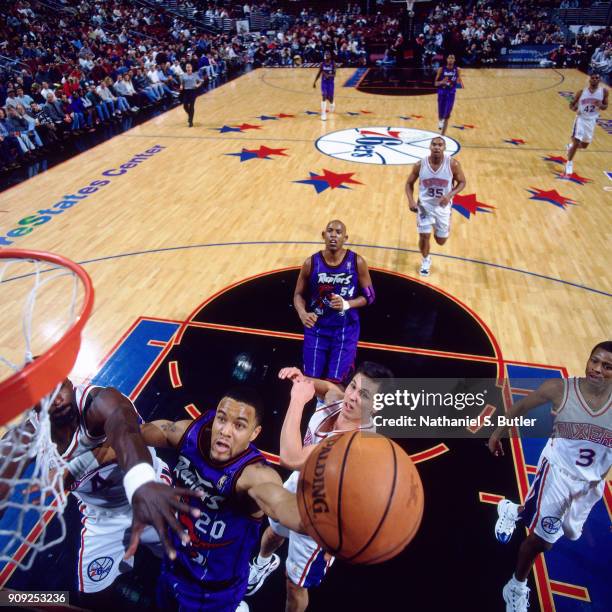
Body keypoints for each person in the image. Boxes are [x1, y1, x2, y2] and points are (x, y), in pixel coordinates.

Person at [130, 387, 304, 611]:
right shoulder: (186, 434)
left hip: (214, 591)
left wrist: (315, 521)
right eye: (221, 419)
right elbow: (133, 433)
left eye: (239, 425)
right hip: (173, 566)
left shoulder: (254, 474)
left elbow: (282, 504)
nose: (225, 431)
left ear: (254, 433)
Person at [34, 379, 202, 599]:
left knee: (186, 557)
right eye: (45, 395)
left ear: (69, 381)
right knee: (91, 594)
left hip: (148, 492)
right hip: (102, 516)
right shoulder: (29, 436)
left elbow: (126, 434)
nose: (56, 399)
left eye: (59, 387)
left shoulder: (100, 401)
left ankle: (220, 600)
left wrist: (141, 482)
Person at [247, 362, 394, 611]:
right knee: (273, 532)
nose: (352, 397)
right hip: (301, 483)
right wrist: (305, 380)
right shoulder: (340, 399)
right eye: (353, 386)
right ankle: (263, 562)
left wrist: (297, 398)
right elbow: (327, 388)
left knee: (295, 585)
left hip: (321, 515)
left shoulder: (352, 445)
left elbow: (290, 458)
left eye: (364, 395)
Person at [488, 341, 612, 612]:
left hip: (590, 485)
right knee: (543, 542)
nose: (597, 369)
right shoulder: (562, 389)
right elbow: (521, 407)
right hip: (556, 472)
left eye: (607, 366)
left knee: (571, 533)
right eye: (594, 361)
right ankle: (516, 585)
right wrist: (498, 433)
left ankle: (513, 511)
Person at [294, 219, 375, 383]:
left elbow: (370, 297)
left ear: (345, 238)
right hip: (317, 327)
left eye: (338, 232)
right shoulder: (311, 263)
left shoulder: (357, 262)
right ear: (323, 235)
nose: (333, 235)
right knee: (309, 380)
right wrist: (302, 313)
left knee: (337, 382)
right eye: (330, 231)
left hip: (346, 329)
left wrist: (348, 304)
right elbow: (298, 295)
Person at [405, 137, 466, 277]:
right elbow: (409, 184)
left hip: (442, 208)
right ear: (429, 146)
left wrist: (450, 195)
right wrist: (411, 200)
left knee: (441, 241)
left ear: (444, 148)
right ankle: (426, 260)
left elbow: (462, 182)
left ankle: (440, 228)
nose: (437, 147)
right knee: (424, 236)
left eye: (440, 145)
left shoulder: (453, 165)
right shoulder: (420, 164)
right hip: (424, 207)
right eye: (434, 144)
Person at [565, 72, 608, 175]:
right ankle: (569, 163)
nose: (594, 80)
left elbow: (606, 106)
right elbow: (571, 104)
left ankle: (570, 147)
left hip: (592, 120)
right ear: (589, 80)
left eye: (596, 78)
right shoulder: (581, 92)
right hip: (581, 119)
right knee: (577, 140)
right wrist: (574, 108)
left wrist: (601, 105)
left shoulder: (604, 92)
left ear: (599, 80)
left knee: (584, 145)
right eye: (592, 78)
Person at [434, 54, 463, 135]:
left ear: (454, 60)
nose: (450, 59)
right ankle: (440, 120)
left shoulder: (458, 69)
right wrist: (442, 82)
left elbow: (458, 81)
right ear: (446, 59)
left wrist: (455, 80)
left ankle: (443, 134)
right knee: (441, 114)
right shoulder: (441, 69)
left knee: (447, 115)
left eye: (452, 58)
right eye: (449, 58)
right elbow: (435, 83)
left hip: (451, 94)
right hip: (442, 93)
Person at [313, 50, 336, 121]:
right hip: (324, 83)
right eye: (325, 55)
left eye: (328, 54)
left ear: (330, 56)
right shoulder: (322, 64)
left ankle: (332, 103)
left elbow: (334, 74)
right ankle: (323, 114)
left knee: (330, 98)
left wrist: (328, 75)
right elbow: (319, 73)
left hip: (331, 83)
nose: (326, 56)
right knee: (324, 96)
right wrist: (314, 82)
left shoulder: (333, 63)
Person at [180, 63, 203, 127]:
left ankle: (191, 121)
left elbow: (201, 81)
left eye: (189, 67)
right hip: (186, 92)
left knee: (191, 106)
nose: (188, 68)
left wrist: (197, 85)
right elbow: (182, 83)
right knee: (185, 106)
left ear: (191, 68)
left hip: (193, 91)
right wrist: (181, 86)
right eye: (187, 67)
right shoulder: (183, 75)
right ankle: (190, 115)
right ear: (185, 68)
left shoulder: (195, 75)